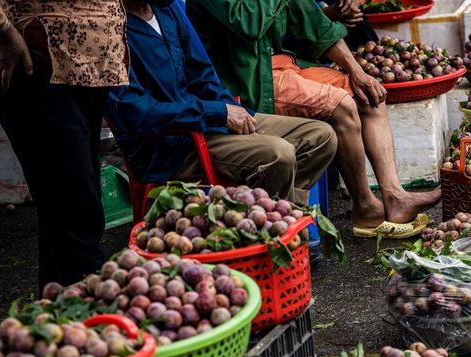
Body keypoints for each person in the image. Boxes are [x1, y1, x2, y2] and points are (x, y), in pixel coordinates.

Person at [186, 0, 441, 234]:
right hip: (246, 83)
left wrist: (357, 72)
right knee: (342, 106)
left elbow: (319, 27)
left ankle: (395, 196)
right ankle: (365, 207)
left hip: (283, 67)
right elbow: (249, 23)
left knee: (369, 96)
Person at [104, 0, 337, 206]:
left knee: (319, 136)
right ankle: (268, 228)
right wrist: (216, 113)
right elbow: (135, 112)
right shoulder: (111, 28)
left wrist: (229, 110)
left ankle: (272, 215)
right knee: (279, 154)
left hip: (206, 122)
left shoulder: (169, 9)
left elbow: (202, 75)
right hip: (170, 146)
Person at [0, 0, 128, 290]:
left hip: (86, 71)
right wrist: (2, 29)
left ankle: (60, 320)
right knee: (77, 216)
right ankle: (92, 323)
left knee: (66, 217)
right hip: (41, 64)